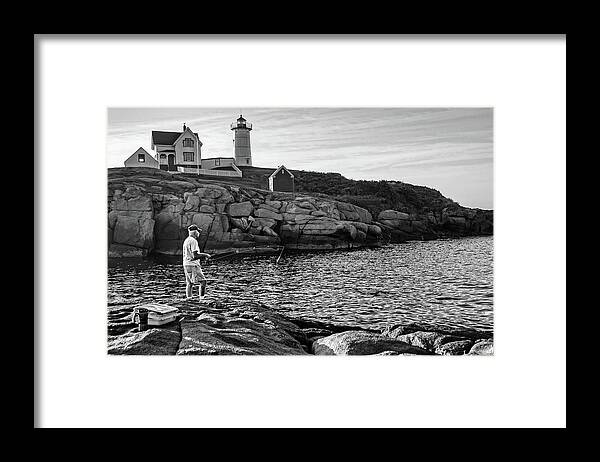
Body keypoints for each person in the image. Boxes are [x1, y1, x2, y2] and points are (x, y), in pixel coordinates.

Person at [182, 225, 211, 300]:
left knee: (189, 283)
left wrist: (202, 257)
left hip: (186, 264)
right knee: (203, 282)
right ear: (195, 232)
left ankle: (189, 298)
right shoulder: (193, 241)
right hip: (193, 265)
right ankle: (202, 299)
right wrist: (206, 255)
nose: (199, 233)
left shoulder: (186, 240)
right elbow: (195, 255)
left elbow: (191, 255)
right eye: (198, 231)